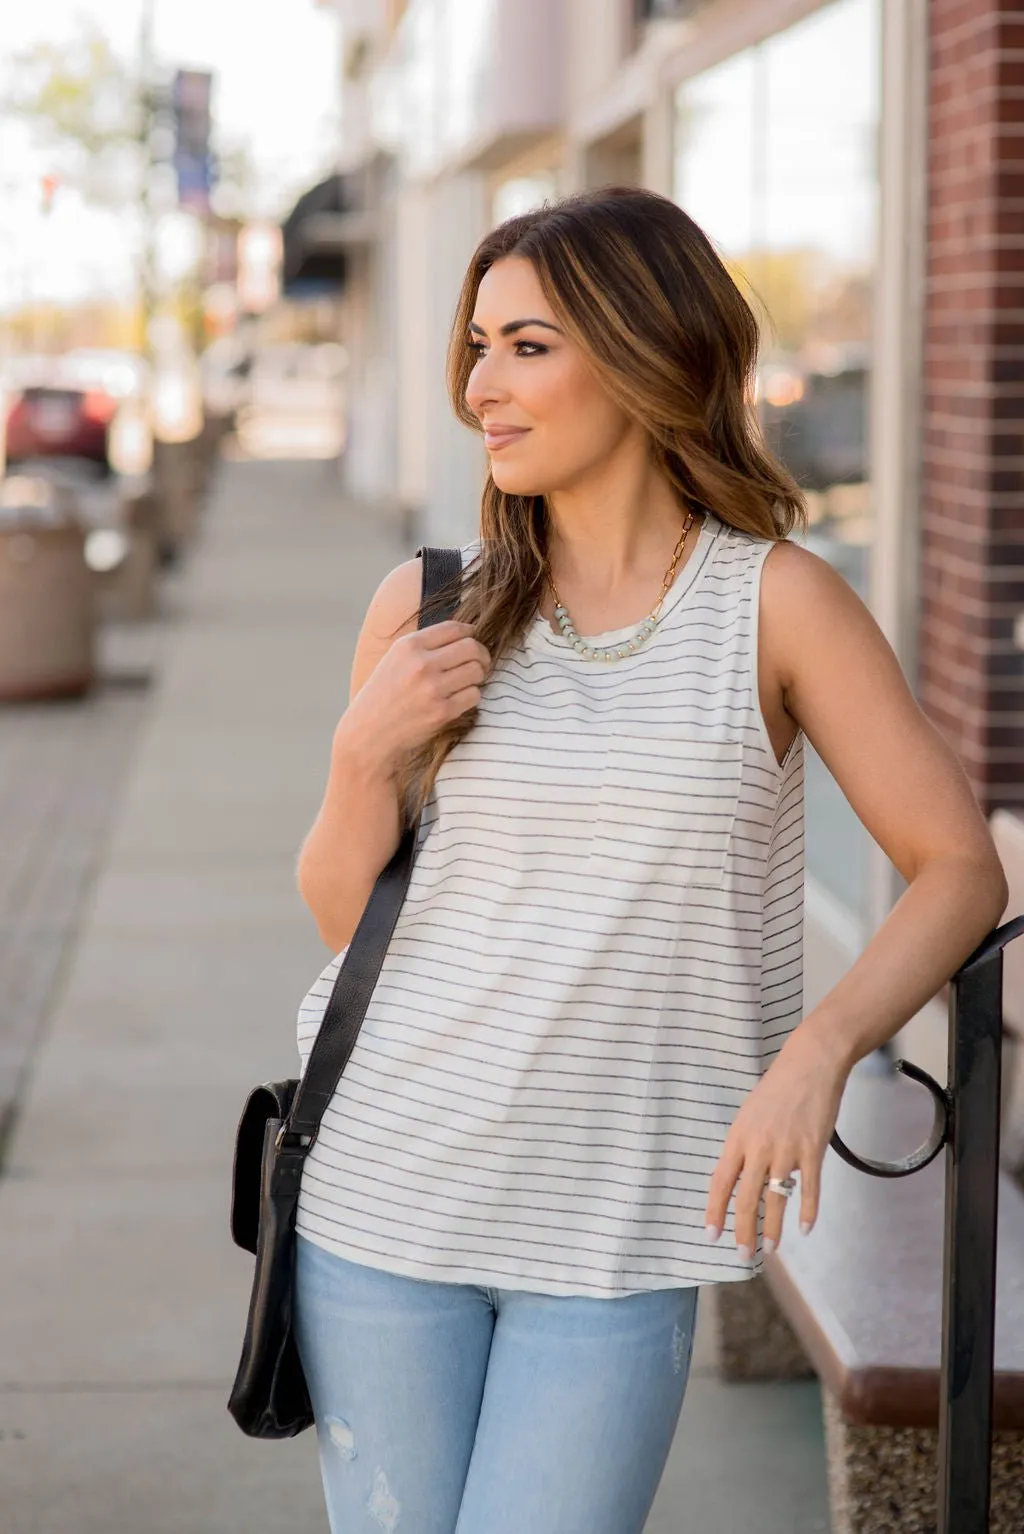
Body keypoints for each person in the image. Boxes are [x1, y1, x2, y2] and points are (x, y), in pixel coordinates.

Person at [291, 187, 1008, 1534]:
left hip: (615, 1230)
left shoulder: (777, 602)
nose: (480, 387)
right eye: (477, 345)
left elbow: (959, 866)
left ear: (643, 351)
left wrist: (818, 1049)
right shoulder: (428, 604)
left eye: (527, 346)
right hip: (385, 1196)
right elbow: (345, 915)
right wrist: (358, 752)